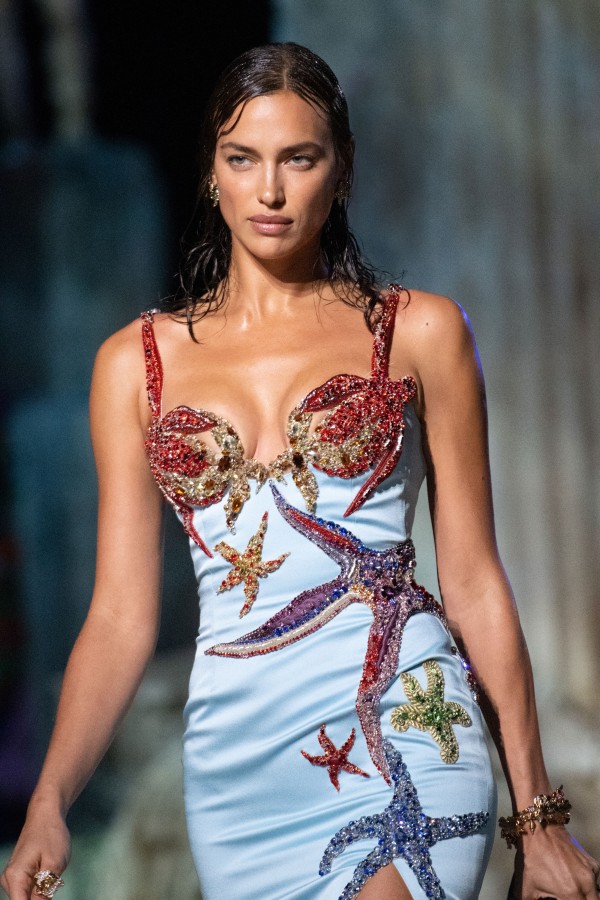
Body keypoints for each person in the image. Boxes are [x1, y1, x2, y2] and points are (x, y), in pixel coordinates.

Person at [1, 41, 598, 900]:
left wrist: (536, 817)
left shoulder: (422, 332)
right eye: (243, 158)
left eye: (299, 159)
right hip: (240, 769)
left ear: (342, 169)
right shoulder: (133, 366)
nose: (270, 191)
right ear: (211, 172)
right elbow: (120, 616)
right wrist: (49, 800)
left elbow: (473, 580)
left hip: (406, 715)